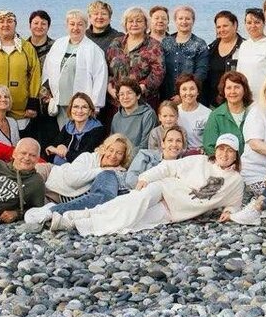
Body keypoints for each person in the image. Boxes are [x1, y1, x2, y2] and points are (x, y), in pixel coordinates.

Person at [37, 134, 245, 236]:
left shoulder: (236, 181)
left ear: (236, 154)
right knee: (135, 202)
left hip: (173, 211)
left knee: (132, 222)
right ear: (216, 150)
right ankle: (72, 217)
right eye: (221, 149)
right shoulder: (200, 160)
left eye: (229, 151)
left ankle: (79, 223)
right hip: (163, 189)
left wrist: (229, 211)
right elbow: (168, 167)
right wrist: (145, 177)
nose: (224, 154)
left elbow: (234, 204)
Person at [27, 133, 133, 219]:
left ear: (124, 157)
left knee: (28, 208)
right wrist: (101, 170)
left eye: (119, 153)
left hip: (56, 200)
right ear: (105, 149)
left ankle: (51, 210)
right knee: (21, 185)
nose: (113, 155)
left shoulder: (116, 172)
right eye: (111, 150)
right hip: (51, 176)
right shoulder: (87, 157)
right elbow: (72, 180)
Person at [0, 10, 41, 129]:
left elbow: (35, 75)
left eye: (10, 21)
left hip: (21, 112)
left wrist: (33, 103)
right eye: (1, 21)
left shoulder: (27, 48)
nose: (5, 25)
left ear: (15, 24)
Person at [42, 9, 108, 124]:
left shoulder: (93, 49)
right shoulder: (58, 44)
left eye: (80, 24)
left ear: (86, 26)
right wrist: (47, 92)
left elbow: (100, 78)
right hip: (60, 102)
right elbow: (47, 69)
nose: (75, 28)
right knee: (64, 132)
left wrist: (95, 105)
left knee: (80, 131)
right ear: (67, 26)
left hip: (82, 106)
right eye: (72, 24)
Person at [106, 6, 166, 109]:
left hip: (143, 102)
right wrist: (109, 88)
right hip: (116, 101)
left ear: (146, 24)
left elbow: (158, 73)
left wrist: (139, 89)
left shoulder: (154, 46)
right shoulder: (116, 43)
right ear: (125, 24)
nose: (134, 24)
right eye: (130, 21)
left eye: (139, 21)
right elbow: (106, 70)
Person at [161, 6, 210, 103]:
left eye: (188, 19)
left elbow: (201, 72)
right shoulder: (166, 42)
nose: (184, 22)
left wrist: (183, 94)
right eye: (180, 18)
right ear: (175, 21)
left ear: (193, 21)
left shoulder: (200, 44)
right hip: (166, 95)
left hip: (190, 96)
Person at [26, 9, 59, 148]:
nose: (39, 26)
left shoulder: (56, 47)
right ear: (30, 25)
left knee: (48, 139)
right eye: (36, 23)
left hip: (48, 101)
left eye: (43, 23)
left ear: (48, 26)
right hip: (27, 101)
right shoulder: (23, 47)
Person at [235, 8, 266, 99]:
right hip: (246, 97)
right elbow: (239, 73)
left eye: (257, 22)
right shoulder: (244, 45)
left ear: (264, 23)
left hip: (265, 98)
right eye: (249, 23)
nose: (253, 26)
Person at [46, 92, 105, 164]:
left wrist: (63, 152)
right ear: (70, 110)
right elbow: (49, 150)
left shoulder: (97, 130)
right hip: (62, 167)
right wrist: (60, 146)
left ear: (90, 111)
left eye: (84, 107)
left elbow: (83, 159)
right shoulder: (68, 127)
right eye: (76, 107)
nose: (79, 111)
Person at [202, 71, 252, 155]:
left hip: (252, 161)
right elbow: (209, 146)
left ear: (244, 90)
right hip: (224, 162)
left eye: (237, 87)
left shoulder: (253, 113)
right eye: (228, 88)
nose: (233, 91)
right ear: (223, 92)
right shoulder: (215, 116)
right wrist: (226, 160)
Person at [206, 11, 243, 105]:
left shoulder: (244, 47)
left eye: (225, 26)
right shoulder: (211, 48)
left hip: (234, 102)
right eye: (218, 27)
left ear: (235, 25)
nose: (222, 30)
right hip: (211, 103)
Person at [111, 78, 156, 145]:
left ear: (138, 95)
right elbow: (112, 142)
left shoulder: (148, 115)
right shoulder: (117, 117)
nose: (125, 97)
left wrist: (126, 152)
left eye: (129, 93)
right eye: (122, 94)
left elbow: (145, 145)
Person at [173, 74, 210, 152]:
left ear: (198, 92)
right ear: (179, 92)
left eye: (192, 89)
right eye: (184, 89)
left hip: (200, 155)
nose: (188, 93)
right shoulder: (173, 112)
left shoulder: (208, 114)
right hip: (177, 154)